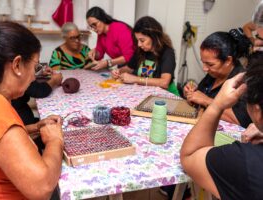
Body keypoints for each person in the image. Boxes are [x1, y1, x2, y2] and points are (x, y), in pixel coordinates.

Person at [0, 22, 63, 199]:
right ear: (17, 65)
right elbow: (42, 188)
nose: (34, 76)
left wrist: (34, 128)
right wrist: (55, 141)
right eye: (35, 67)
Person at [180, 52, 263, 200]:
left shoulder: (245, 161)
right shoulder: (210, 78)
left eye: (210, 64)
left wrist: (216, 104)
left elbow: (190, 156)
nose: (205, 68)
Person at [183, 31, 251, 128]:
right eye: (203, 62)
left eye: (210, 64)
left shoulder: (244, 82)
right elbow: (200, 98)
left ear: (228, 61)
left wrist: (206, 100)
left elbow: (238, 120)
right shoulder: (213, 75)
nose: (204, 69)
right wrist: (191, 94)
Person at [111, 16, 179, 96]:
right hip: (147, 95)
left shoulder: (167, 52)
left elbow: (164, 82)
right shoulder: (141, 50)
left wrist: (135, 79)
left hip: (167, 96)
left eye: (142, 40)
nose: (139, 44)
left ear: (154, 37)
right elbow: (129, 68)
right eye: (138, 40)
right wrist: (118, 71)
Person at [86, 6, 135, 70]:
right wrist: (94, 53)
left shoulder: (119, 28)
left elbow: (129, 56)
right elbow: (99, 54)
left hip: (135, 65)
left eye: (95, 24)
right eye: (91, 27)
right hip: (122, 66)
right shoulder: (101, 33)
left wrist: (108, 62)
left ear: (102, 19)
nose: (94, 29)